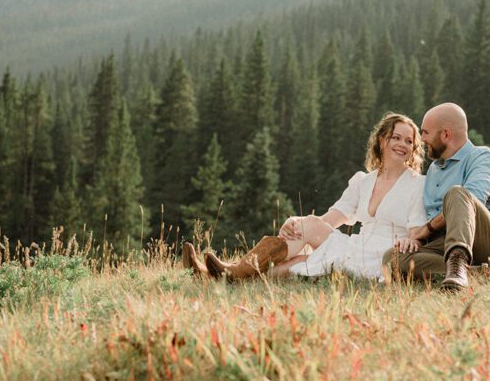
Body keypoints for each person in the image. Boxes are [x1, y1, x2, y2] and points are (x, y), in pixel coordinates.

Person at [182, 112, 426, 281]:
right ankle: (217, 275)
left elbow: (416, 232)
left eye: (408, 141)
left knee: (293, 261)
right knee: (290, 258)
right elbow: (331, 219)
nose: (402, 144)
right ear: (382, 140)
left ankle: (229, 273)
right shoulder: (363, 181)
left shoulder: (417, 185)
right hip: (355, 247)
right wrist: (298, 220)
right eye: (396, 137)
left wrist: (411, 241)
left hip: (380, 255)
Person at [383, 102, 490, 290]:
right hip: (443, 242)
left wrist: (427, 229)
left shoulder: (482, 157)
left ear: (446, 135)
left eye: (426, 132)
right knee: (391, 258)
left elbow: (472, 199)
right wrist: (416, 238)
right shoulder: (434, 170)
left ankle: (458, 266)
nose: (421, 139)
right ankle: (488, 273)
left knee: (458, 193)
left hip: (484, 241)